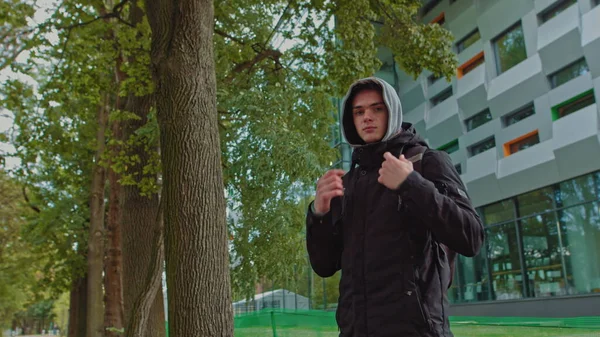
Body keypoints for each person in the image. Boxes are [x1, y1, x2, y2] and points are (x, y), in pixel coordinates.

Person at [306, 77, 484, 337]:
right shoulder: (349, 183)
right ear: (350, 120)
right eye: (359, 111)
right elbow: (324, 265)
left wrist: (411, 183)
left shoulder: (428, 162)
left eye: (377, 108)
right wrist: (318, 214)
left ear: (393, 111)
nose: (367, 117)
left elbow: (471, 237)